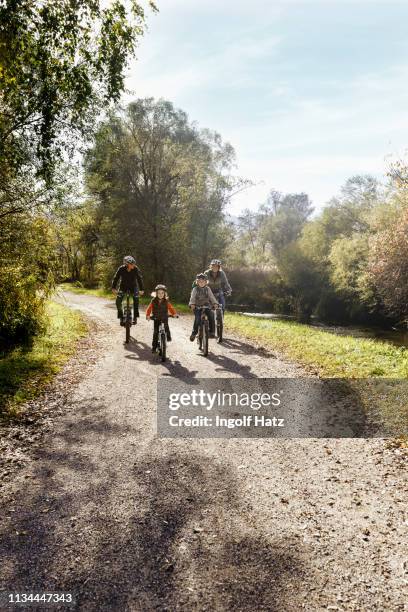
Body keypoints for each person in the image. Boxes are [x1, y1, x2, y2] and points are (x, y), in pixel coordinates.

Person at [111, 256, 144, 325]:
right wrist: (113, 288)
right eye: (132, 264)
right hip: (123, 287)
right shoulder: (121, 269)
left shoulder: (135, 269)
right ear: (127, 264)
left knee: (136, 299)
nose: (134, 265)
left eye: (134, 263)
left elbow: (139, 279)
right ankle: (121, 317)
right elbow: (116, 278)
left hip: (133, 287)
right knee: (118, 301)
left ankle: (135, 317)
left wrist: (141, 289)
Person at [146, 285, 178, 353]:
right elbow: (149, 308)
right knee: (155, 332)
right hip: (156, 318)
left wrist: (174, 314)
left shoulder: (166, 301)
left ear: (164, 294)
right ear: (156, 293)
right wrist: (148, 315)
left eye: (162, 293)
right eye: (159, 293)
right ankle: (154, 347)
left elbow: (170, 308)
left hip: (164, 317)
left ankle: (168, 337)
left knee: (166, 327)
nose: (160, 294)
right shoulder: (153, 301)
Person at [189, 273, 218, 341]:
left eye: (203, 281)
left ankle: (212, 332)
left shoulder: (208, 289)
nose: (201, 283)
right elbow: (192, 297)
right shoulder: (195, 289)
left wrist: (215, 303)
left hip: (206, 305)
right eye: (199, 281)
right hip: (197, 306)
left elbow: (212, 297)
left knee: (211, 314)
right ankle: (194, 333)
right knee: (197, 318)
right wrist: (192, 304)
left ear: (206, 282)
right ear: (197, 282)